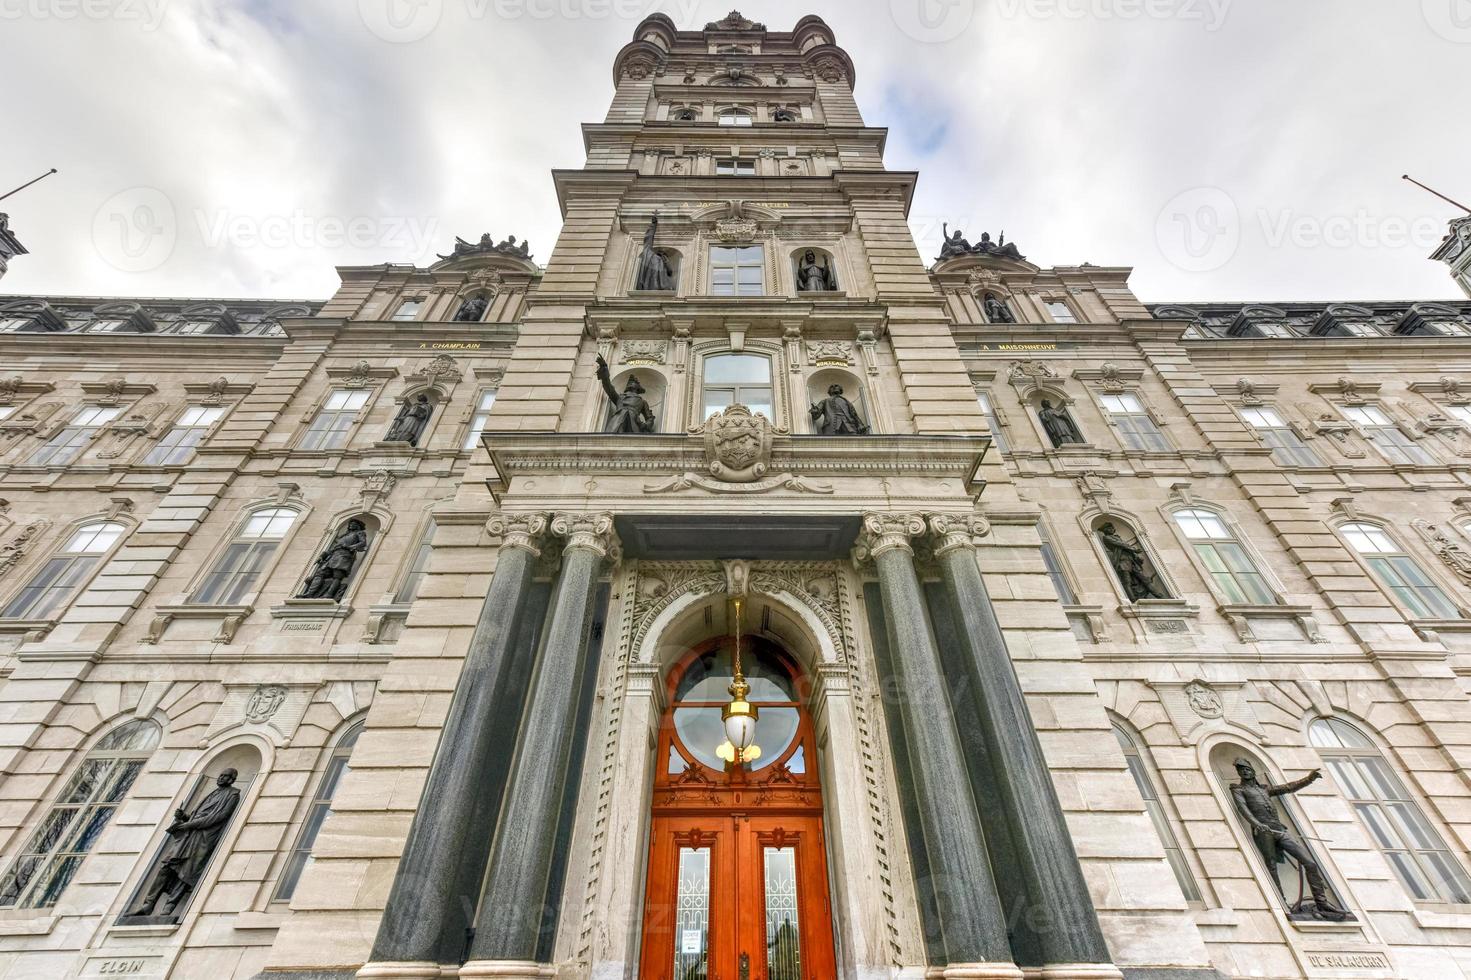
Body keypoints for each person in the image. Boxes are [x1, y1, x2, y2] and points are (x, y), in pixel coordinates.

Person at [1230, 759, 1350, 921]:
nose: (1244, 772)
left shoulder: (1264, 789)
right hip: (1264, 833)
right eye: (1241, 770)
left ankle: (1321, 902)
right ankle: (1282, 903)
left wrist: (1309, 779)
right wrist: (1257, 824)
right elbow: (1242, 808)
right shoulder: (1238, 789)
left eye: (1247, 769)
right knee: (1271, 866)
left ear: (1253, 771)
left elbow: (1288, 787)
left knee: (1310, 863)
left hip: (1279, 830)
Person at [128, 769, 241, 919]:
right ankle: (148, 904)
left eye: (225, 776)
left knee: (186, 873)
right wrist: (185, 817)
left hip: (203, 838)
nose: (220, 778)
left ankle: (168, 909)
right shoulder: (213, 793)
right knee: (166, 866)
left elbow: (219, 817)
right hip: (188, 835)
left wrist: (190, 824)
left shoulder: (233, 794)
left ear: (231, 780)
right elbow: (197, 814)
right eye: (220, 775)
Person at [298, 519, 370, 601]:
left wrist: (349, 547)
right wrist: (323, 555)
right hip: (333, 556)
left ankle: (329, 594)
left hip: (344, 555)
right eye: (350, 524)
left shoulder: (359, 533)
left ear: (358, 526)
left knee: (337, 575)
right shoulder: (344, 535)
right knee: (320, 573)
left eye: (353, 524)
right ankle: (309, 594)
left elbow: (363, 543)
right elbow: (334, 547)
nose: (350, 525)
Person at [1097, 522, 1168, 601]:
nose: (1112, 529)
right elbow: (1121, 544)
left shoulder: (1117, 537)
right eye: (1109, 528)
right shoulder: (1106, 538)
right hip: (1122, 561)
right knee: (1127, 581)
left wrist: (1135, 554)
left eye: (1112, 527)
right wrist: (1133, 549)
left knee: (1144, 579)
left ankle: (1159, 596)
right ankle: (1133, 600)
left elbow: (1124, 545)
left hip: (1131, 560)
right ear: (1105, 530)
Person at [596, 354, 656, 433]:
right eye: (630, 383)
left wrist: (645, 425)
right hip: (618, 420)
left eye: (633, 383)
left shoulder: (642, 401)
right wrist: (604, 368)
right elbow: (608, 387)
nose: (630, 384)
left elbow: (649, 417)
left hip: (633, 422)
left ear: (637, 387)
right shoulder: (620, 397)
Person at [635, 213, 676, 291]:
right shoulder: (649, 255)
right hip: (649, 286)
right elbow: (648, 239)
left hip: (662, 287)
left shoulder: (664, 261)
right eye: (661, 252)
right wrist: (653, 225)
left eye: (664, 253)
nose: (662, 253)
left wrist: (665, 260)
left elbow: (670, 271)